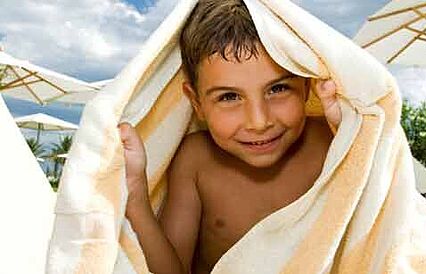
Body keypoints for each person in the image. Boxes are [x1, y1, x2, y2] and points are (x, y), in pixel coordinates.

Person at [119, 0, 341, 273]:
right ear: (196, 102)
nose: (259, 122)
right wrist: (137, 200)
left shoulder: (333, 142)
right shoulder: (196, 161)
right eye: (229, 96)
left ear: (307, 87)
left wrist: (354, 136)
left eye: (278, 89)